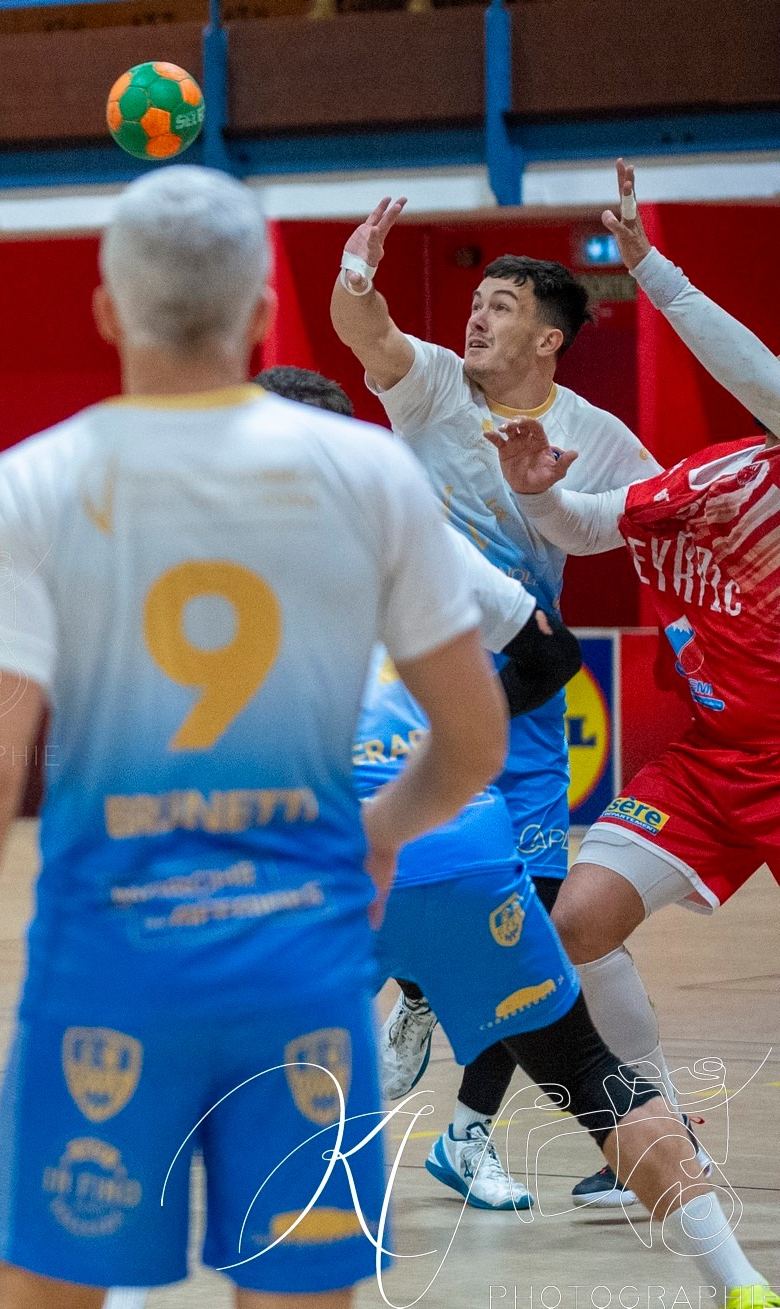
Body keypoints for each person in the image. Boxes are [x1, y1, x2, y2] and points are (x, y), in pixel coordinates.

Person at [0, 165, 508, 1306]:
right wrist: (379, 832)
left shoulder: (31, 484)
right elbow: (474, 740)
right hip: (304, 973)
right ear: (263, 316)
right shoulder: (366, 471)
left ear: (105, 309)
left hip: (103, 980)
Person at [243, 370, 774, 1309]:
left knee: (216, 1076)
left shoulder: (197, 556)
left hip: (321, 860)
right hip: (461, 852)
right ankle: (737, 1282)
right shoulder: (417, 545)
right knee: (589, 1071)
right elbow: (550, 652)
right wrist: (445, 723)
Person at [328, 187, 665, 1208]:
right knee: (426, 886)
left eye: (500, 305)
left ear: (548, 338)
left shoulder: (594, 434)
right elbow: (370, 331)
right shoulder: (431, 384)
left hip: (516, 687)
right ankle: (424, 1009)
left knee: (530, 909)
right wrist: (354, 275)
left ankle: (461, 1107)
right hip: (400, 683)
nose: (474, 315)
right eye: (473, 299)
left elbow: (654, 518)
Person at [485, 160, 780, 1236]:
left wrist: (651, 268)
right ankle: (659, 1131)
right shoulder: (712, 481)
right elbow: (583, 524)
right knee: (574, 924)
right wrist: (538, 492)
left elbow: (751, 367)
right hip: (710, 762)